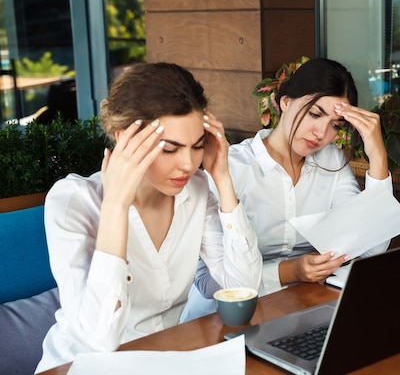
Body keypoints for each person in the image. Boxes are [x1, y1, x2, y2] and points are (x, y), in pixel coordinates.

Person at [35, 62, 262, 373]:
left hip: (163, 359)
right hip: (78, 365)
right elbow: (99, 338)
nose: (187, 164)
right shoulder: (72, 200)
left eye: (197, 146)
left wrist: (222, 179)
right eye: (170, 149)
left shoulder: (196, 190)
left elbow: (244, 286)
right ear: (124, 139)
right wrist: (116, 205)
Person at [182, 57, 392, 319]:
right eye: (315, 114)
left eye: (335, 126)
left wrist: (378, 156)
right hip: (219, 320)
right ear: (285, 102)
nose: (321, 133)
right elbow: (205, 280)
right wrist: (289, 271)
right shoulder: (231, 168)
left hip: (298, 310)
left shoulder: (331, 161)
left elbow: (371, 246)